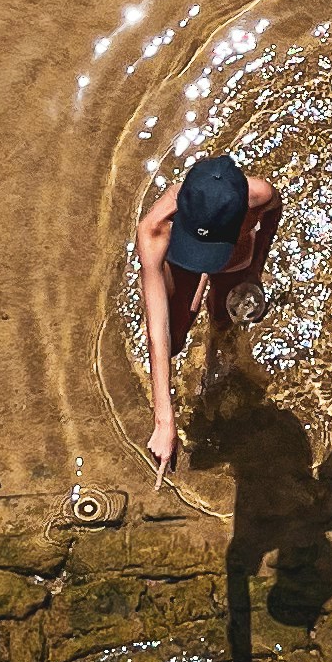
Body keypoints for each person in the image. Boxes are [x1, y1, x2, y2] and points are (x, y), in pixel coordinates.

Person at [134, 151, 281, 480]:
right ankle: (198, 283)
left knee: (222, 322)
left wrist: (256, 269)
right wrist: (164, 418)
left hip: (235, 256)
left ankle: (215, 337)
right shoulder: (155, 229)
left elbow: (272, 216)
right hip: (179, 258)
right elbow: (157, 329)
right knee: (175, 337)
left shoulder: (258, 195)